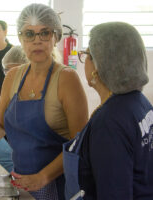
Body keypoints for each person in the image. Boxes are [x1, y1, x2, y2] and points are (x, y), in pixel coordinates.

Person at [0, 4, 88, 200]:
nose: (37, 41)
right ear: (20, 38)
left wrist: (43, 176)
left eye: (44, 33)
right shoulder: (13, 77)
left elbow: (78, 144)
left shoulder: (66, 79)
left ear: (56, 37)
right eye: (29, 34)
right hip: (21, 181)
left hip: (56, 184)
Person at [63, 22, 153, 200]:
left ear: (98, 67)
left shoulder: (109, 122)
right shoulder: (139, 102)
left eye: (87, 54)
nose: (84, 60)